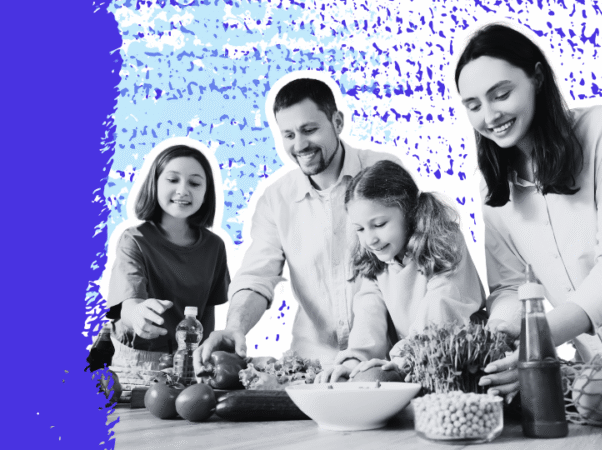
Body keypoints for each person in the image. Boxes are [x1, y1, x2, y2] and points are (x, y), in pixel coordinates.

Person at [453, 24, 602, 399]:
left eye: (501, 94)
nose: (490, 116)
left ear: (537, 78)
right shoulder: (494, 187)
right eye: (474, 105)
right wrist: (504, 332)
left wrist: (537, 341)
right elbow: (511, 285)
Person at [193, 77, 403, 371]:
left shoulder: (383, 172)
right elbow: (257, 277)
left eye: (309, 130)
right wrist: (235, 327)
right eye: (288, 135)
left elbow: (414, 265)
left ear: (338, 122)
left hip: (387, 362)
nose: (300, 145)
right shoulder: (276, 199)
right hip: (313, 365)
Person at [316, 160, 488, 382]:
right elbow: (369, 312)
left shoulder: (444, 240)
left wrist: (403, 357)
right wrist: (355, 360)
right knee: (363, 378)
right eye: (360, 229)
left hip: (460, 361)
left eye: (379, 224)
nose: (370, 239)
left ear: (408, 212)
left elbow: (442, 306)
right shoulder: (376, 258)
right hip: (412, 359)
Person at [104, 144, 230, 386]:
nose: (182, 190)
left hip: (186, 365)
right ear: (155, 183)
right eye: (173, 179)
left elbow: (207, 317)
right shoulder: (134, 240)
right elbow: (129, 305)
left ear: (207, 193)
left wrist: (203, 360)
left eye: (194, 183)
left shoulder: (215, 247)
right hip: (137, 363)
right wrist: (137, 315)